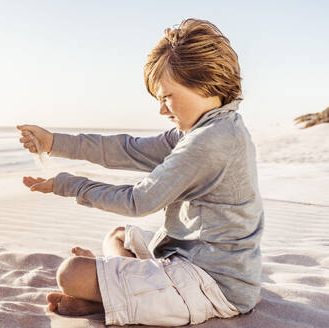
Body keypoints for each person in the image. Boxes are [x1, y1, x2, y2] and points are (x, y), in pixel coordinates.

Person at [16, 18, 263, 326]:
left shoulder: (210, 141)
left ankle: (111, 295)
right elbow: (129, 149)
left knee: (71, 273)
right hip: (188, 259)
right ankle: (118, 291)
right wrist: (54, 142)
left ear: (203, 82)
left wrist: (71, 185)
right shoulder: (210, 127)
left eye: (166, 97)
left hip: (215, 285)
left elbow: (139, 202)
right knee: (117, 236)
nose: (162, 110)